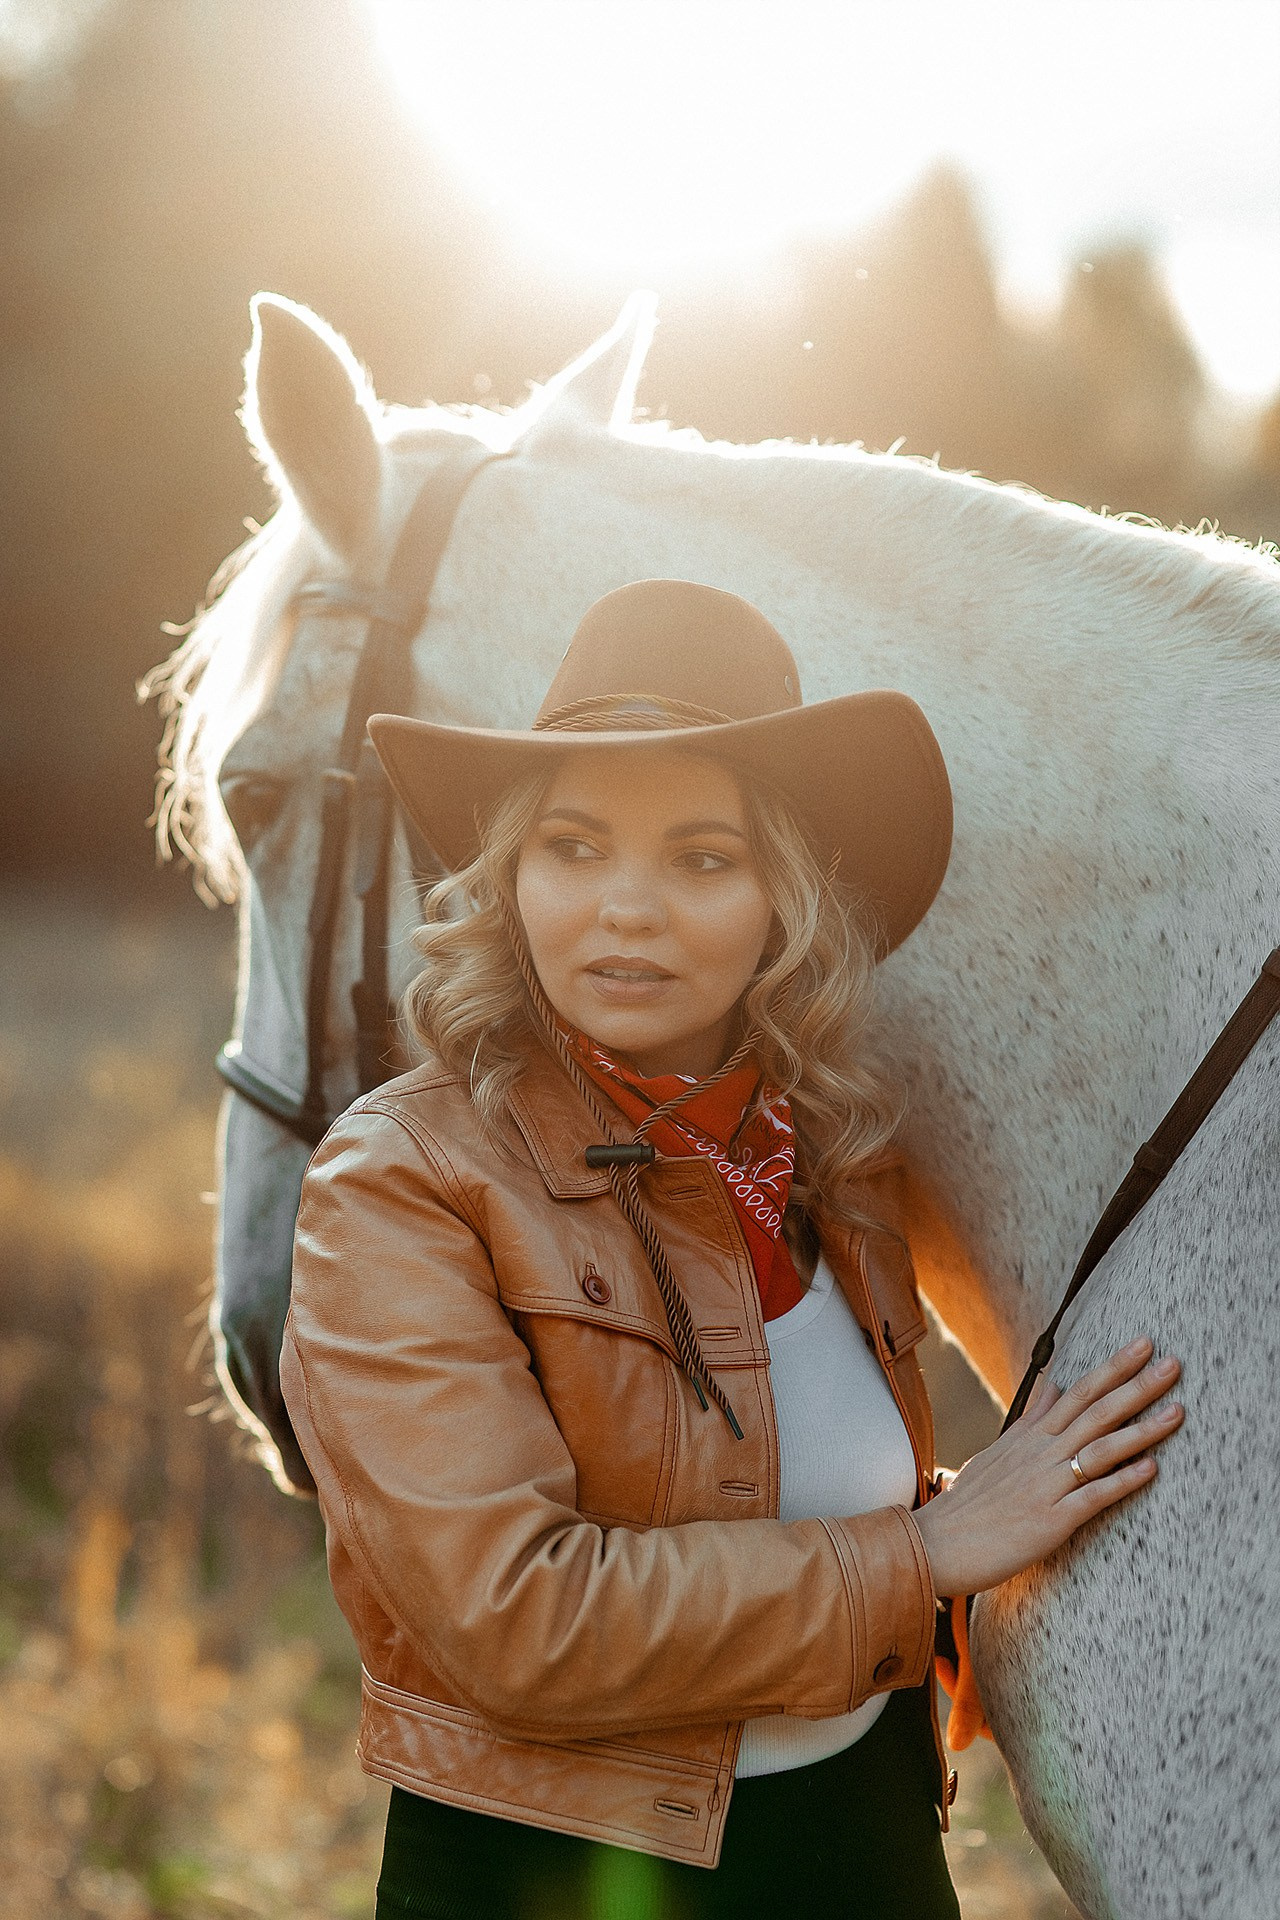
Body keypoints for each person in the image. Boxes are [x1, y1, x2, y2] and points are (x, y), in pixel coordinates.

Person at [280, 580, 1183, 1920]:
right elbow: (516, 1622)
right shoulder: (404, 1179)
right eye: (574, 848)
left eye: (702, 858)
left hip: (870, 1852)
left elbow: (776, 1476)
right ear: (511, 874)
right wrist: (926, 1550)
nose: (625, 909)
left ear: (784, 898)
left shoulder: (826, 1155)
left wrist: (1026, 1533)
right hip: (556, 1883)